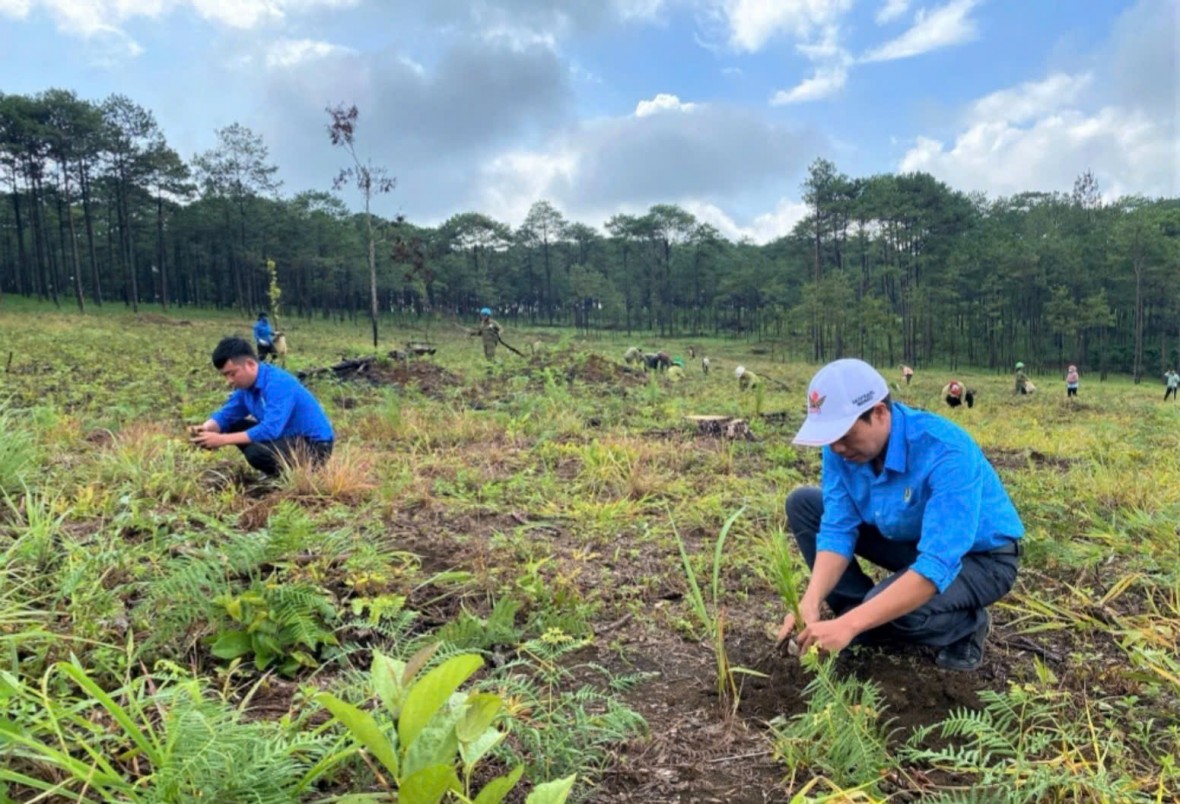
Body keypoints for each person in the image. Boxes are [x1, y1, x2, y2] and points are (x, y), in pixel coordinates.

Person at [778, 358, 1024, 672]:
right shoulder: (840, 449)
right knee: (805, 504)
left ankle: (966, 623)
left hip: (981, 559)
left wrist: (853, 624)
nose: (836, 448)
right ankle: (856, 612)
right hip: (910, 538)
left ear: (879, 413)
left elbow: (937, 563)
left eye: (843, 435)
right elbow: (838, 529)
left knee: (901, 615)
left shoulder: (946, 450)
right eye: (829, 437)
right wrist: (809, 602)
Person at [190, 337, 334, 476]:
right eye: (225, 376)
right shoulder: (245, 388)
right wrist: (206, 428)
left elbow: (270, 429)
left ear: (250, 364)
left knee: (256, 452)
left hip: (314, 446)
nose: (229, 381)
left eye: (232, 374)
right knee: (232, 424)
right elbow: (226, 415)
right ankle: (278, 471)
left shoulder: (277, 383)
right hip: (287, 437)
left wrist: (221, 439)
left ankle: (289, 477)